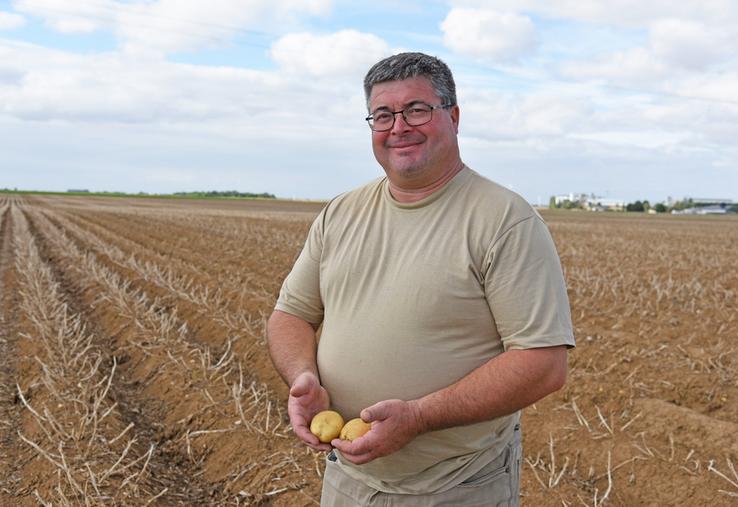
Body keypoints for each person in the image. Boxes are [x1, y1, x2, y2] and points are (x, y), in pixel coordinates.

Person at [267, 52, 575, 506]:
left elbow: (543, 364)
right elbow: (290, 314)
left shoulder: (503, 220)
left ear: (453, 116)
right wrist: (303, 377)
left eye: (416, 110)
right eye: (383, 115)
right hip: (349, 478)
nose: (398, 127)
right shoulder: (341, 213)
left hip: (454, 484)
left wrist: (419, 416)